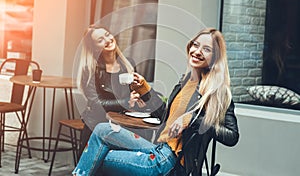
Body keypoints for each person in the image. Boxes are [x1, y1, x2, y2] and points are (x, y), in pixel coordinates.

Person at [72, 28, 239, 176]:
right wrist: (144, 89)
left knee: (99, 156)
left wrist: (191, 120)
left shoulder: (216, 90)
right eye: (195, 45)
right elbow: (163, 115)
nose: (197, 51)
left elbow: (232, 136)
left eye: (206, 49)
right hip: (159, 148)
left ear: (215, 57)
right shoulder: (187, 81)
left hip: (169, 160)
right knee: (103, 129)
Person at [76, 25, 155, 155]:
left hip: (125, 124)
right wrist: (126, 102)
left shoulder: (127, 63)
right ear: (94, 48)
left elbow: (132, 94)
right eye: (100, 40)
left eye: (107, 34)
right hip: (99, 125)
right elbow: (96, 103)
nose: (107, 40)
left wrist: (138, 94)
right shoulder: (90, 69)